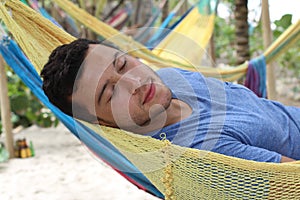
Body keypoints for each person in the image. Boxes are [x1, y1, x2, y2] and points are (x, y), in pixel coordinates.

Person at [41, 38, 300, 163]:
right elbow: (292, 181)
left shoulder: (170, 77)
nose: (135, 83)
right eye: (111, 94)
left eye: (122, 64)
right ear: (104, 123)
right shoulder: (201, 153)